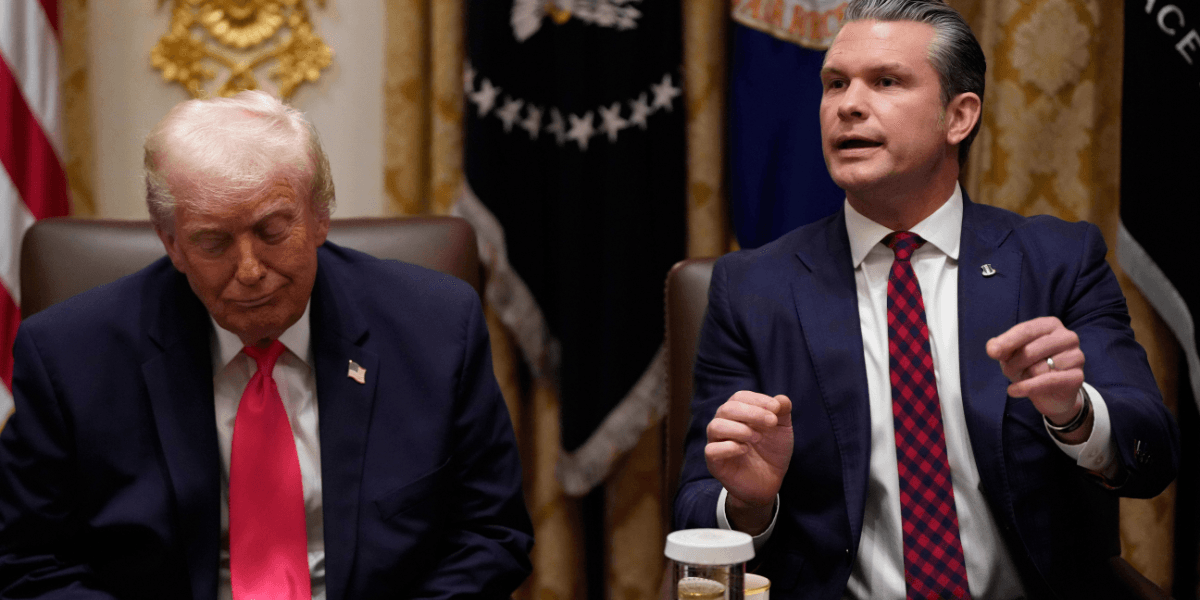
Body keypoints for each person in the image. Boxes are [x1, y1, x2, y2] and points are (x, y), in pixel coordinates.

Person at [674, 1, 1178, 599]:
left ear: (959, 116)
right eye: (835, 84)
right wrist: (749, 502)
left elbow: (1153, 455)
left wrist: (1075, 414)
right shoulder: (752, 288)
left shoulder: (1057, 262)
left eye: (886, 81)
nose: (848, 105)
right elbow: (695, 503)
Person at [0, 91, 533, 599]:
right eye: (213, 242)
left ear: (320, 216)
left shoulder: (434, 326)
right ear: (171, 243)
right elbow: (27, 560)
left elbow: (490, 533)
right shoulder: (70, 356)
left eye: (273, 230)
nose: (250, 270)